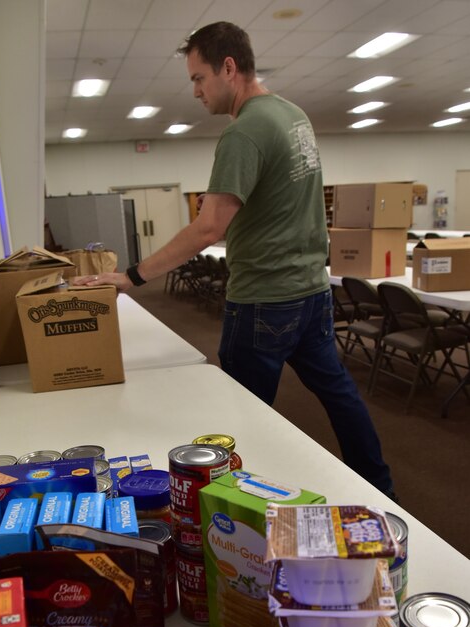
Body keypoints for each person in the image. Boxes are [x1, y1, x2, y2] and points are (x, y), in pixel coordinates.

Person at [75, 21, 396, 499]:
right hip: (311, 291)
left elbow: (210, 226)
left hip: (265, 300)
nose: (196, 92)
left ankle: (238, 510)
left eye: (199, 78)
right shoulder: (294, 116)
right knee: (339, 395)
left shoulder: (244, 133)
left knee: (243, 417)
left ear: (229, 68)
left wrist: (133, 276)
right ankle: (380, 485)